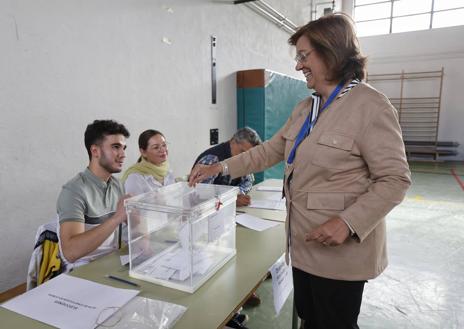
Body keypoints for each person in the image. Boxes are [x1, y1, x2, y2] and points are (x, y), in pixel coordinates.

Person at [189, 13, 411, 329]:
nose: (298, 65)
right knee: (310, 320)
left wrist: (348, 223)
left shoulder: (370, 106)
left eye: (304, 56)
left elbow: (395, 179)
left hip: (340, 257)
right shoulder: (306, 108)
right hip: (303, 246)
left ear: (331, 53)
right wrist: (220, 166)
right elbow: (268, 151)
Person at [57, 120, 131, 271]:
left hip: (112, 264)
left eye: (124, 148)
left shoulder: (116, 185)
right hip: (82, 272)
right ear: (95, 151)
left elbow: (132, 228)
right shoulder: (73, 190)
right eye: (116, 147)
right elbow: (71, 252)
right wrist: (118, 217)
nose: (123, 155)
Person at [192, 127, 262, 207]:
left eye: (249, 155)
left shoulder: (241, 158)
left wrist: (238, 193)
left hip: (226, 211)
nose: (245, 158)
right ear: (233, 141)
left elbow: (249, 180)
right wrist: (230, 199)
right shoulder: (212, 159)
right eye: (242, 151)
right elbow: (200, 195)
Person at [121, 129, 175, 195]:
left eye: (164, 145)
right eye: (156, 147)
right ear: (143, 152)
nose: (163, 150)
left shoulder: (168, 172)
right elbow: (133, 205)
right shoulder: (134, 178)